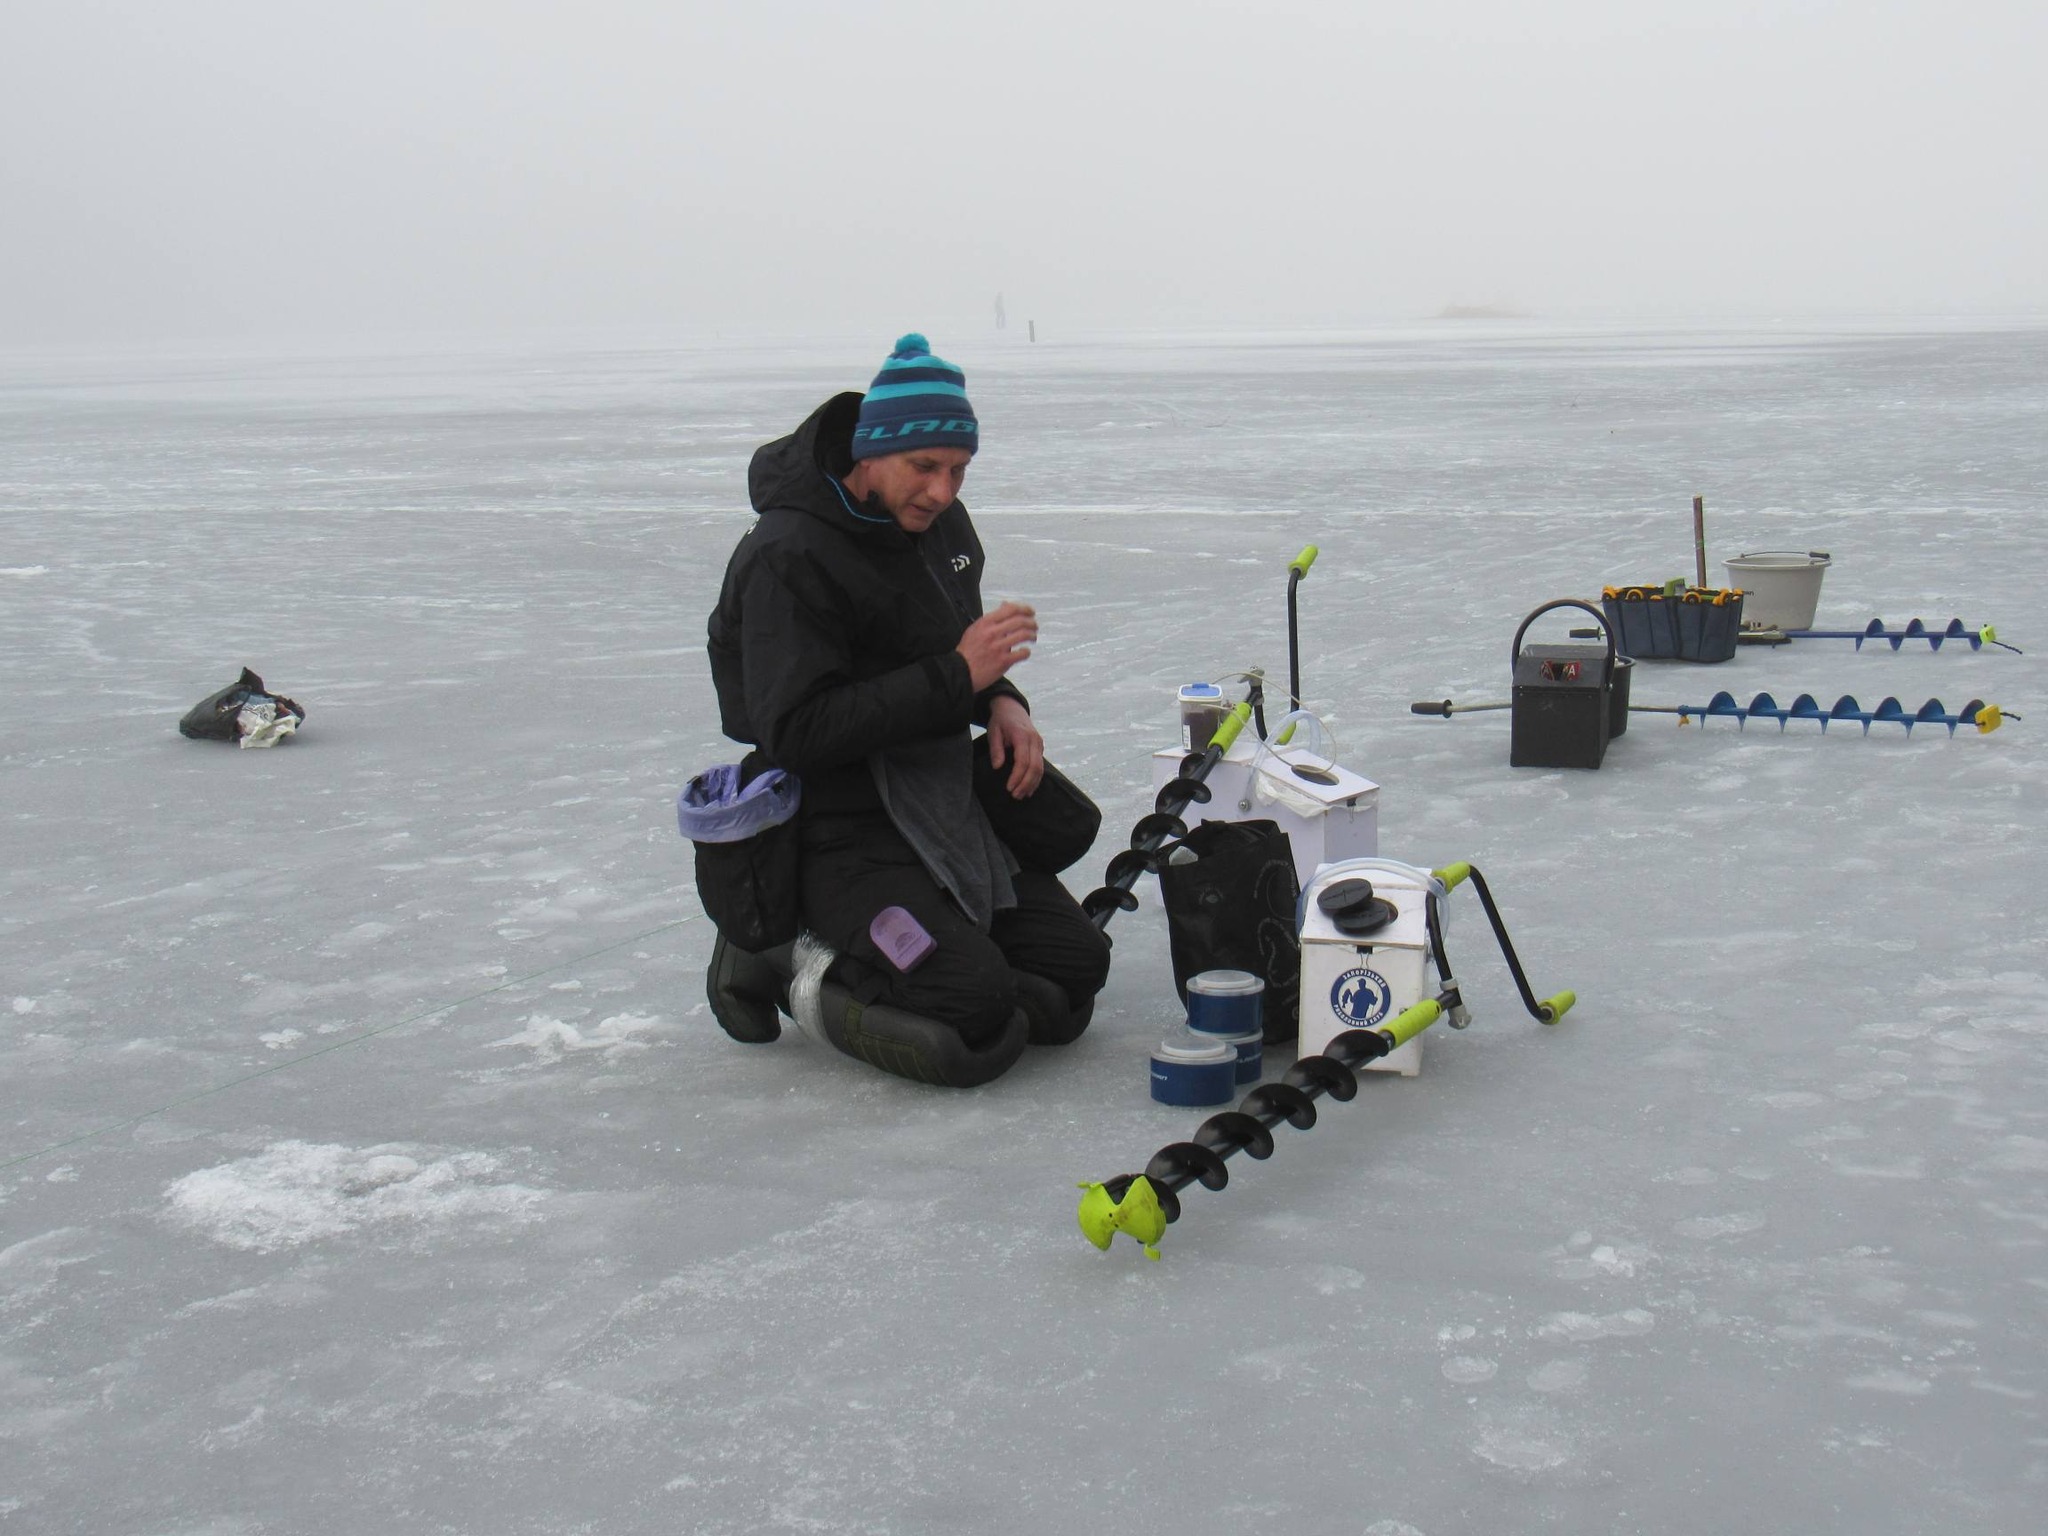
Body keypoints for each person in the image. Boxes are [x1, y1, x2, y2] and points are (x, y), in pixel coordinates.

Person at [703, 334, 1111, 1086]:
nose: (942, 491)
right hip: (835, 826)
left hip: (937, 805)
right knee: (973, 1011)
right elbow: (794, 731)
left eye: (958, 470)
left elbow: (954, 647)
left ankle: (952, 950)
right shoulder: (788, 556)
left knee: (1074, 972)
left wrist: (1002, 701)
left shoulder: (939, 527)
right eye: (924, 467)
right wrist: (959, 678)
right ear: (870, 452)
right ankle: (775, 952)